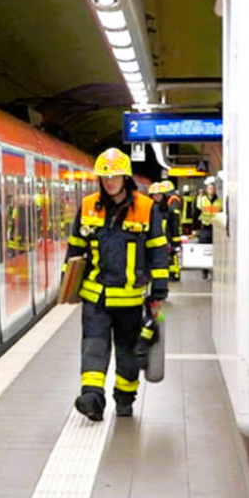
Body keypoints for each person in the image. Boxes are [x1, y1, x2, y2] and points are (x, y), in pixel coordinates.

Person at [63, 148, 169, 420]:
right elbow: (75, 247)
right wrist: (69, 284)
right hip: (95, 297)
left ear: (125, 177)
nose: (109, 182)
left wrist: (159, 290)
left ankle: (124, 399)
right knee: (93, 348)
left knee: (128, 354)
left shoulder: (146, 208)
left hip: (130, 300)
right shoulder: (88, 206)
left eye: (114, 176)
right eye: (104, 177)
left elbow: (158, 249)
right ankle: (92, 398)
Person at [149, 181, 183, 282]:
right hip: (151, 242)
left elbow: (174, 227)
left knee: (170, 260)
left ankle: (173, 275)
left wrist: (176, 243)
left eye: (159, 194)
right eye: (155, 195)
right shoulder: (147, 210)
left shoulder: (169, 210)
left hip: (166, 241)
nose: (157, 197)